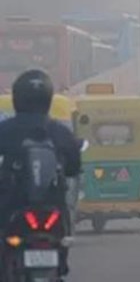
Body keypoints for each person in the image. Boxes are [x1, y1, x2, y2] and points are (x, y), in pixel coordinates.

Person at [0, 70, 82, 274]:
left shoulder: (5, 130)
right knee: (63, 233)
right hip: (52, 207)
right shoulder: (60, 132)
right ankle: (61, 263)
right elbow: (73, 168)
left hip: (12, 204)